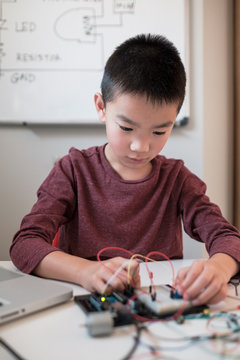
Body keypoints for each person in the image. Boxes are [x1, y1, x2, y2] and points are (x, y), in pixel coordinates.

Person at [10, 34, 240, 306]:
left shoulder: (177, 180)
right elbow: (25, 244)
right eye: (127, 128)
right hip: (86, 303)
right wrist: (85, 271)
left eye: (159, 131)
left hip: (158, 308)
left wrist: (217, 269)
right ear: (101, 107)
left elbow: (227, 237)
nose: (141, 146)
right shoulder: (73, 170)